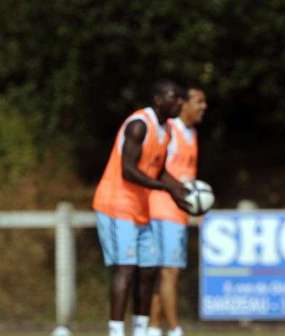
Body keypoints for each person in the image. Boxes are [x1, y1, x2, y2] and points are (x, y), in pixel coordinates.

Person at [92, 80, 190, 336]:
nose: (179, 101)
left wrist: (178, 188)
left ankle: (141, 330)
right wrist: (165, 188)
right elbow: (128, 170)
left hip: (139, 208)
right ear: (158, 99)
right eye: (174, 97)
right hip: (115, 205)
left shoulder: (166, 131)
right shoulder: (139, 125)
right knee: (125, 267)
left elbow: (158, 170)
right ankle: (115, 332)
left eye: (181, 97)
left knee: (149, 269)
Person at [146, 86, 207, 336]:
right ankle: (174, 329)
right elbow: (156, 166)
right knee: (169, 270)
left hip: (178, 211)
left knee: (167, 273)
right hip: (162, 207)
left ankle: (151, 328)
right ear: (184, 104)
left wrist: (196, 205)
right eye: (199, 101)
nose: (204, 106)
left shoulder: (191, 133)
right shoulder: (169, 131)